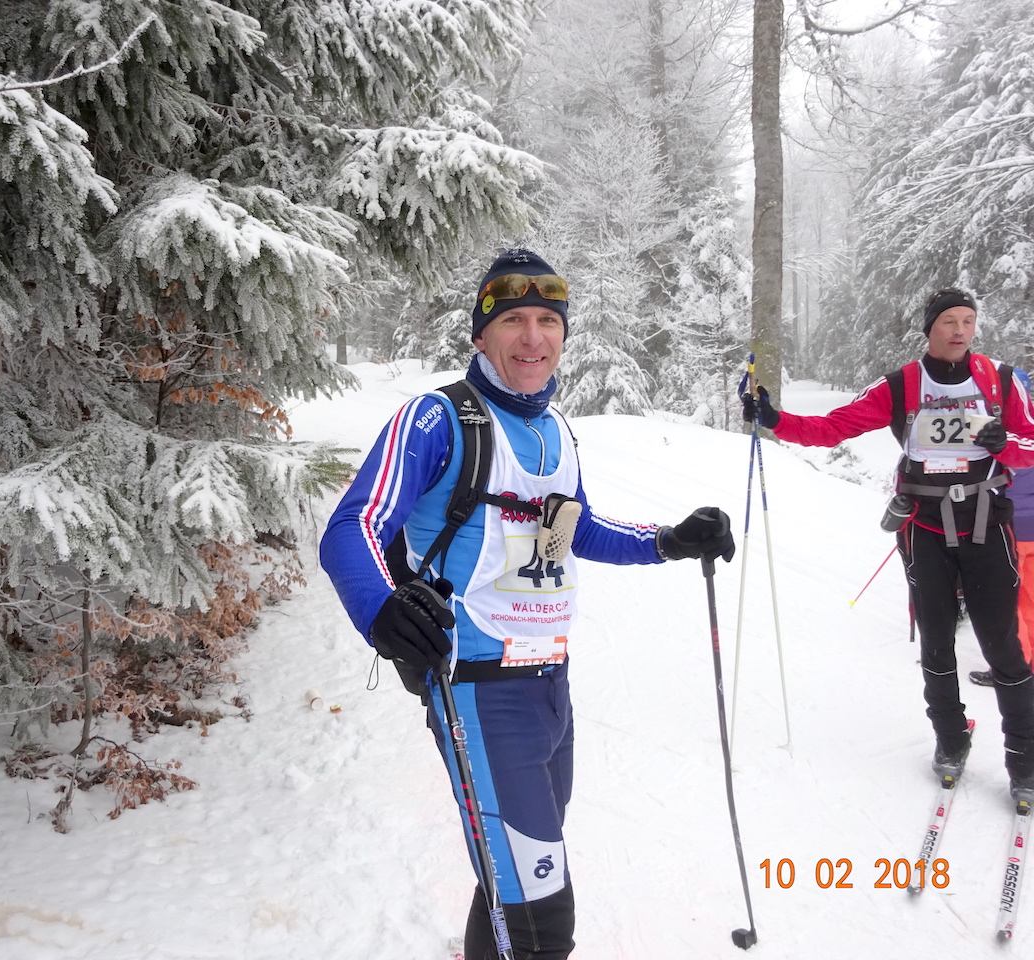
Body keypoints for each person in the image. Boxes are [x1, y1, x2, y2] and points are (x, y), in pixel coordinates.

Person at [320, 248, 735, 960]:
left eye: (548, 320)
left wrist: (669, 538)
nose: (534, 336)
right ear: (481, 334)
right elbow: (352, 526)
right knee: (544, 929)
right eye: (514, 319)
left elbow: (578, 530)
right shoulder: (439, 417)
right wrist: (382, 612)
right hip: (480, 697)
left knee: (510, 890)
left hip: (551, 694)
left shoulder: (555, 431)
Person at [742, 287, 1034, 803]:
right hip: (924, 527)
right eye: (949, 321)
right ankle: (950, 739)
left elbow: (1031, 444)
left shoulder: (1002, 380)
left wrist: (1003, 444)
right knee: (936, 640)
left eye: (968, 320)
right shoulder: (901, 385)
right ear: (929, 328)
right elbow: (836, 426)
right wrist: (775, 420)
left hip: (988, 524)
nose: (960, 330)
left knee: (1003, 644)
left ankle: (1024, 759)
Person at [971, 368, 1034, 687]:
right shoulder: (1029, 429)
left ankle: (1016, 666)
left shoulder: (992, 433)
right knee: (1030, 600)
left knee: (1011, 603)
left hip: (1010, 530)